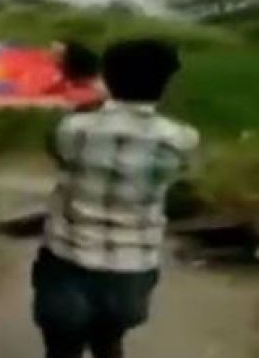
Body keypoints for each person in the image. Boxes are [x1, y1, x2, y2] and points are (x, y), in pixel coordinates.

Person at [33, 39, 200, 358]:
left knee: (61, 348)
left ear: (106, 77)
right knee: (109, 341)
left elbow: (55, 149)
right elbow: (181, 176)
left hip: (68, 261)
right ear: (166, 83)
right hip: (132, 270)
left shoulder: (72, 129)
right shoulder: (181, 139)